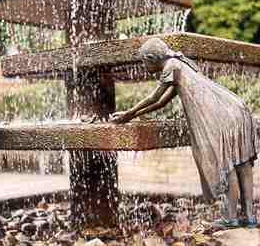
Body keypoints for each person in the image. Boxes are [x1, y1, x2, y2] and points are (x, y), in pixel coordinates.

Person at [110, 38, 257, 229]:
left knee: (226, 165)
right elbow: (161, 102)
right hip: (235, 108)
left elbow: (153, 97)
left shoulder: (171, 66)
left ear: (152, 58)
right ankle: (249, 217)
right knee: (242, 165)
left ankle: (230, 218)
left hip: (220, 114)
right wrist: (131, 115)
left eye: (143, 61)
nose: (143, 65)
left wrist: (128, 114)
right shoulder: (179, 63)